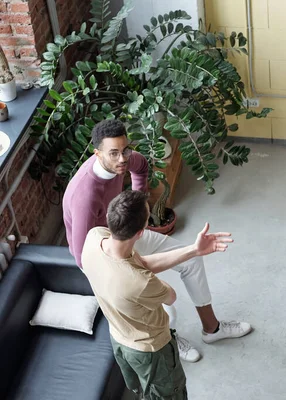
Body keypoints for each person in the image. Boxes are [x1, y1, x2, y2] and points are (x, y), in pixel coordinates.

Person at [63, 119, 252, 362]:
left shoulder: (123, 159)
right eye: (113, 153)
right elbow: (82, 256)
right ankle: (169, 338)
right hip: (102, 254)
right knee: (166, 310)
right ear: (97, 153)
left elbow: (140, 166)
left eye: (125, 150)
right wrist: (129, 269)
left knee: (192, 259)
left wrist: (138, 205)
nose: (122, 159)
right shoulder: (85, 196)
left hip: (125, 231)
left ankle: (212, 329)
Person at [82, 190, 233, 399]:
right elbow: (170, 296)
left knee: (143, 392)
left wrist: (193, 251)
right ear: (142, 232)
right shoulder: (139, 282)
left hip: (119, 339)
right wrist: (144, 276)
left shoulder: (94, 237)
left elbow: (140, 263)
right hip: (152, 351)